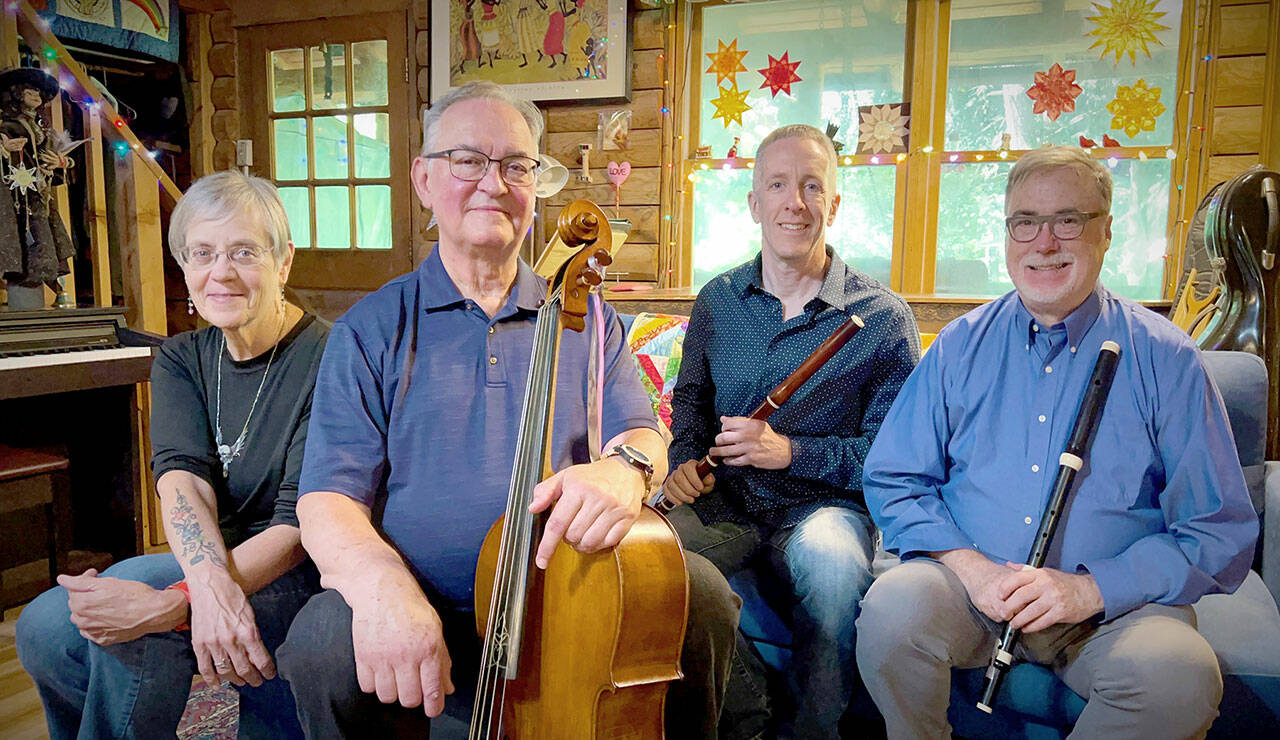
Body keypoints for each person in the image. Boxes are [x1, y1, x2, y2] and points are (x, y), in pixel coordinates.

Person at [275, 81, 740, 739]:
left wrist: (626, 470)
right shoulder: (369, 328)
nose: (494, 183)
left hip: (568, 602)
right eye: (468, 161)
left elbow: (645, 435)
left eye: (516, 165)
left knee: (699, 597)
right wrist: (382, 586)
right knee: (324, 639)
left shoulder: (585, 314)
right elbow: (326, 501)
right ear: (425, 179)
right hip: (427, 602)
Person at [857, 145, 1259, 739]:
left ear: (1106, 232)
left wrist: (1089, 588)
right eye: (1026, 222)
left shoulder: (1167, 357)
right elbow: (895, 478)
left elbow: (1217, 530)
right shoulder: (959, 346)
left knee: (1179, 676)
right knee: (892, 610)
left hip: (1110, 611)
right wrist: (975, 572)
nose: (1044, 243)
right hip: (972, 592)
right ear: (1008, 234)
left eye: (1068, 219)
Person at [16, 170, 328, 739]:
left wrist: (174, 603)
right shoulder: (182, 357)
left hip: (301, 566)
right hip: (212, 555)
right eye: (202, 253)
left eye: (243, 251)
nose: (221, 272)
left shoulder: (329, 356)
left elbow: (299, 525)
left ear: (283, 263)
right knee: (43, 627)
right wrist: (204, 590)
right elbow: (182, 482)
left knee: (138, 632)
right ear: (185, 267)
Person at [662, 124, 920, 739]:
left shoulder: (883, 318)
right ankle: (752, 716)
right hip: (725, 500)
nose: (794, 202)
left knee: (835, 575)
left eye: (811, 186)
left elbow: (891, 461)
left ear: (832, 203)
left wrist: (790, 453)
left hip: (822, 509)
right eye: (777, 185)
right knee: (645, 570)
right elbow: (690, 403)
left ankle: (814, 730)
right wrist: (682, 460)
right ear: (755, 203)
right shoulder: (718, 301)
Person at [0, 66, 74, 306]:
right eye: (29, 90)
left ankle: (52, 291)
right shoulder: (6, 125)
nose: (35, 96)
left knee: (43, 240)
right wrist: (5, 150)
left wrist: (61, 161)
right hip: (14, 198)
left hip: (38, 195)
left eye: (39, 93)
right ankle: (20, 293)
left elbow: (59, 154)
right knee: (20, 241)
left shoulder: (43, 129)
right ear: (17, 93)